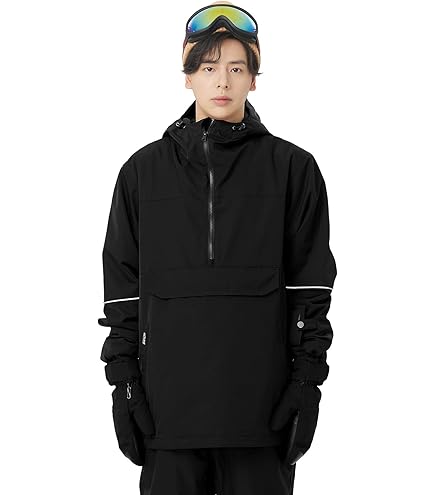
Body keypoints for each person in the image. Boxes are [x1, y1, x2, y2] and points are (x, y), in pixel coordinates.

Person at [97, 2, 337, 494]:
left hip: (262, 416)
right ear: (187, 77)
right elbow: (122, 290)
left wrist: (306, 382)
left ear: (254, 79)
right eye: (208, 68)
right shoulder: (141, 173)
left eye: (236, 68)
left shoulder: (294, 169)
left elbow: (311, 287)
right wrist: (124, 382)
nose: (222, 82)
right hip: (167, 415)